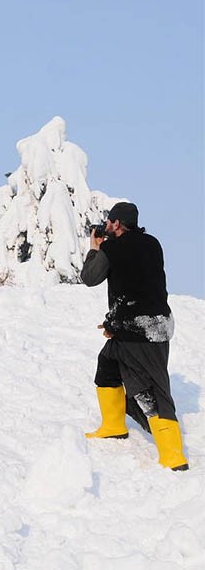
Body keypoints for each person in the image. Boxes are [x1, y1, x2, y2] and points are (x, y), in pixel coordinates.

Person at [81, 202, 188, 471]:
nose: (105, 226)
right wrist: (114, 324)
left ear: (117, 224)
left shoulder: (112, 248)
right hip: (154, 322)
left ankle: (174, 456)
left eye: (108, 222)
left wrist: (95, 248)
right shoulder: (152, 243)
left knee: (151, 389)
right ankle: (113, 426)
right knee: (108, 364)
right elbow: (137, 286)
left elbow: (90, 277)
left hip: (141, 329)